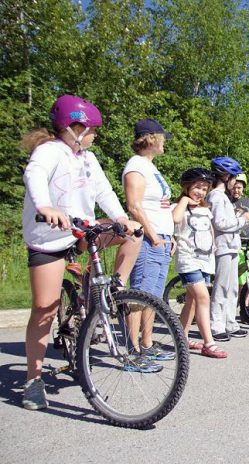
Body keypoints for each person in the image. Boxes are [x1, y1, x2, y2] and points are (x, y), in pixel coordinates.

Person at [21, 95, 141, 409]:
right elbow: (33, 176)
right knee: (45, 309)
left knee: (132, 235)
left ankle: (106, 290)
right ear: (73, 127)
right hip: (49, 238)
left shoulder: (87, 158)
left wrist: (120, 217)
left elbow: (103, 190)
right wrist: (45, 206)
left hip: (80, 231)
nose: (95, 135)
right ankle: (33, 380)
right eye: (91, 130)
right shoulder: (49, 152)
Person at [123, 118, 176, 368]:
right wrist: (154, 236)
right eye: (162, 137)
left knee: (153, 296)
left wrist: (169, 236)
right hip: (147, 240)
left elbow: (157, 204)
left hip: (162, 239)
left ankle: (147, 344)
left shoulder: (150, 168)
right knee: (140, 295)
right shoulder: (136, 166)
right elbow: (134, 206)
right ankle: (132, 351)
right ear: (152, 139)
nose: (165, 142)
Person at [171, 168, 227, 359]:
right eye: (197, 187)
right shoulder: (178, 206)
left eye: (204, 188)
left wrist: (213, 247)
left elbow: (210, 229)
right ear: (186, 187)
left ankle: (182, 337)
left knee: (192, 300)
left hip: (205, 258)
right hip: (188, 259)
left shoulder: (205, 208)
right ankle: (209, 343)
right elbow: (175, 219)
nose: (200, 192)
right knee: (203, 297)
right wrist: (185, 201)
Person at [208, 157, 249, 341]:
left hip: (232, 246)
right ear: (226, 176)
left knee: (232, 287)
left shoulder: (223, 197)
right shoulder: (216, 196)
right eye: (234, 177)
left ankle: (229, 322)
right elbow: (220, 222)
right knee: (222, 286)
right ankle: (216, 325)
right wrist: (242, 220)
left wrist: (237, 217)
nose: (235, 183)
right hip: (223, 246)